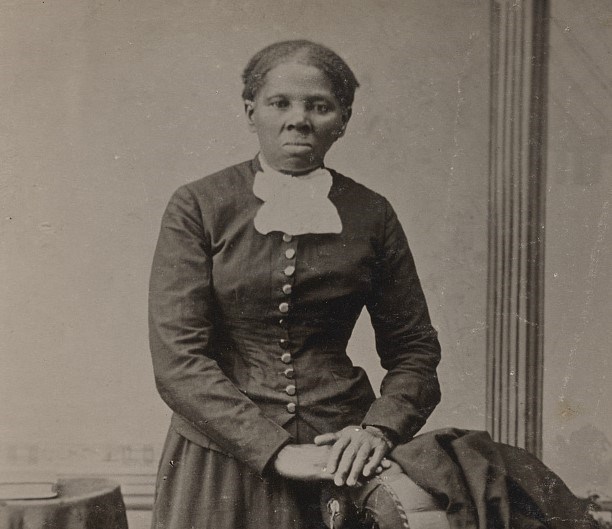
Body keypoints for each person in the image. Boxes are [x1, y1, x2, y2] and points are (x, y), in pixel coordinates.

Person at [148, 39, 442, 529]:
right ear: (251, 112)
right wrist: (275, 451)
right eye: (279, 103)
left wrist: (378, 430)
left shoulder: (372, 213)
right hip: (221, 457)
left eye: (319, 106)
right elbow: (178, 361)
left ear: (343, 120)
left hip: (341, 452)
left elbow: (415, 349)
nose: (298, 119)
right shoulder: (199, 205)